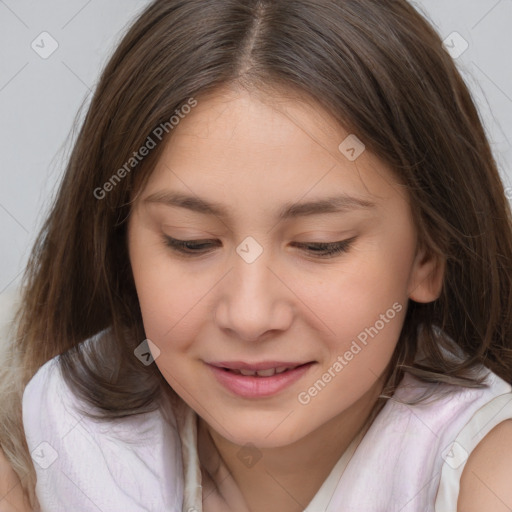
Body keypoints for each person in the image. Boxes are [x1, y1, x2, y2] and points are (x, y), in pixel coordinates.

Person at [1, 0, 512, 510]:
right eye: (190, 241)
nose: (249, 315)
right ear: (120, 248)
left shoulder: (489, 472)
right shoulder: (47, 442)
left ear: (427, 255)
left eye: (320, 245)